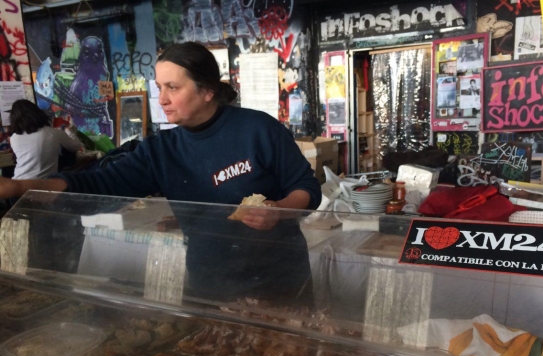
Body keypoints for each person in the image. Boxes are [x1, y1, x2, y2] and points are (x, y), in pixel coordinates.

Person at [0, 42, 322, 303]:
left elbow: (306, 187)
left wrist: (279, 210)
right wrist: (18, 188)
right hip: (212, 287)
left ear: (207, 90)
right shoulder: (161, 151)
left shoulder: (257, 129)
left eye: (173, 87)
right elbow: (98, 184)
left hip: (280, 283)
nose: (162, 99)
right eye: (159, 87)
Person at [9, 99, 83, 180]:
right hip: (44, 184)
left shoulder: (14, 138)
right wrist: (68, 130)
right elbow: (76, 146)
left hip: (18, 182)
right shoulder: (53, 133)